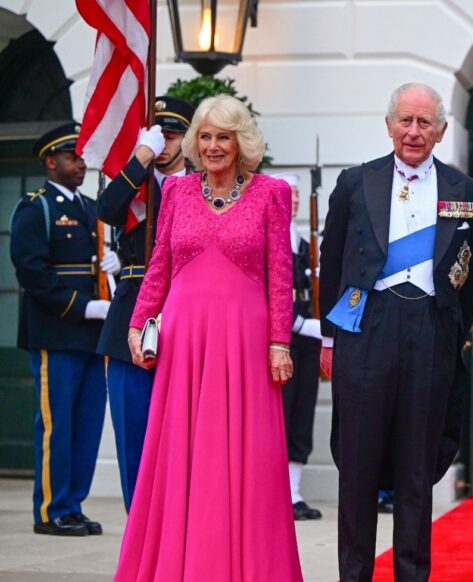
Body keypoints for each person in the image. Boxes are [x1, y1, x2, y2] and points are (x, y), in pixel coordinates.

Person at [114, 95, 302, 581]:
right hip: (184, 341)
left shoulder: (271, 192)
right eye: (206, 136)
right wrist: (139, 323)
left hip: (245, 342)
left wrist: (279, 341)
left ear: (242, 143)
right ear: (196, 142)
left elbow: (281, 272)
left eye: (224, 136)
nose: (214, 145)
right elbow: (160, 265)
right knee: (181, 454)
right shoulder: (175, 192)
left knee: (248, 462)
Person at [318, 82, 473, 581]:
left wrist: (450, 330)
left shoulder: (468, 193)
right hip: (366, 328)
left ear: (441, 130)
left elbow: (472, 276)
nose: (414, 132)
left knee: (417, 470)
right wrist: (330, 338)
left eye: (424, 123)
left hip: (431, 332)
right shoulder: (355, 182)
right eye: (405, 121)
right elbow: (332, 264)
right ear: (389, 124)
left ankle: (412, 574)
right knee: (359, 466)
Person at [9, 122, 115, 536]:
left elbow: (105, 260)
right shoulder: (36, 209)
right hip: (57, 333)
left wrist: (118, 266)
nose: (80, 163)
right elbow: (32, 273)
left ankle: (74, 505)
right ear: (50, 162)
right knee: (58, 426)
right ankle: (52, 509)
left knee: (87, 425)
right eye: (71, 156)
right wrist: (84, 307)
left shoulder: (93, 209)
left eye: (82, 155)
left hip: (92, 336)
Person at [95, 95, 195, 511]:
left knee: (189, 442)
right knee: (134, 439)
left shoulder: (202, 186)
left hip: (189, 317)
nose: (166, 143)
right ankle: (140, 535)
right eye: (160, 134)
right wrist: (140, 158)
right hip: (132, 320)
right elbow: (106, 208)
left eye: (173, 134)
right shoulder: (136, 183)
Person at [272, 172, 324, 521]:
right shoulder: (267, 239)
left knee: (301, 415)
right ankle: (273, 492)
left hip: (305, 342)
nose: (292, 200)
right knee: (279, 413)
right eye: (286, 193)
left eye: (296, 195)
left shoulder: (303, 244)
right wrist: (298, 323)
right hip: (280, 340)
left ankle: (292, 492)